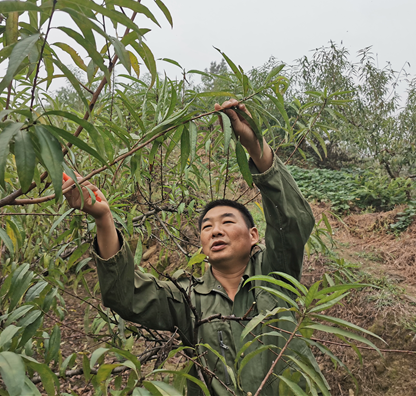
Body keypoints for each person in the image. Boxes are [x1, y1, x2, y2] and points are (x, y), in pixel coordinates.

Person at [63, 99, 323, 395]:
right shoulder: (188, 298)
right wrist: (104, 219)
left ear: (253, 235)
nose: (216, 231)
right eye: (207, 226)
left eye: (227, 222)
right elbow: (127, 296)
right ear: (201, 243)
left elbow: (291, 222)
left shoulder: (276, 275)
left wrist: (255, 146)